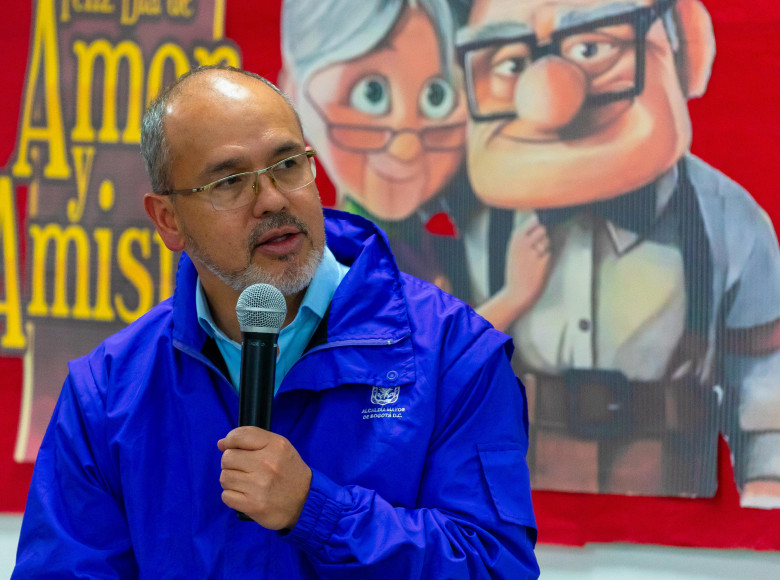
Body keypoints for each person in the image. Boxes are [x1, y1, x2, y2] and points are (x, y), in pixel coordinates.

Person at [13, 65, 540, 578]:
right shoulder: (107, 392)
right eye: (230, 182)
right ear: (168, 220)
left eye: (288, 165)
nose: (272, 200)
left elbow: (495, 566)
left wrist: (316, 510)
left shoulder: (454, 353)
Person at [456, 0, 780, 505]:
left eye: (592, 47)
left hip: (672, 520)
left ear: (684, 46)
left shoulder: (727, 218)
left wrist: (767, 486)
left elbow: (764, 376)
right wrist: (511, 299)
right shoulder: (471, 225)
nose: (550, 98)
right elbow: (437, 373)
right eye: (513, 62)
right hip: (515, 517)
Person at [278, 0, 473, 297]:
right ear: (292, 94)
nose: (406, 148)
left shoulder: (447, 244)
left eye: (436, 96)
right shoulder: (322, 255)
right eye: (371, 93)